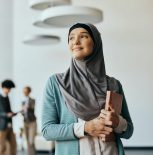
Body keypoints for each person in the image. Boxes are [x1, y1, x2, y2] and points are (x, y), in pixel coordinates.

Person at [41, 23, 133, 155]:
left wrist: (118, 122)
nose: (76, 42)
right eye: (71, 38)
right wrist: (85, 128)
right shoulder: (56, 83)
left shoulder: (114, 84)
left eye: (83, 36)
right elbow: (47, 131)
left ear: (96, 42)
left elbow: (129, 131)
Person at [0, 80, 17, 155]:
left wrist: (12, 113)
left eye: (10, 89)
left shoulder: (7, 97)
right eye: (8, 88)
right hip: (1, 127)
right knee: (2, 147)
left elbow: (8, 110)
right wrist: (6, 115)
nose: (9, 90)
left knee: (13, 145)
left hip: (9, 126)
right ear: (3, 87)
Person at [21, 86, 37, 155]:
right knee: (27, 142)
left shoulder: (32, 100)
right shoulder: (23, 102)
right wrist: (22, 110)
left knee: (31, 141)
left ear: (29, 92)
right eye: (24, 91)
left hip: (32, 123)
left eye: (26, 91)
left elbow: (32, 108)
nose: (24, 93)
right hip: (25, 122)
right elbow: (22, 113)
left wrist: (27, 107)